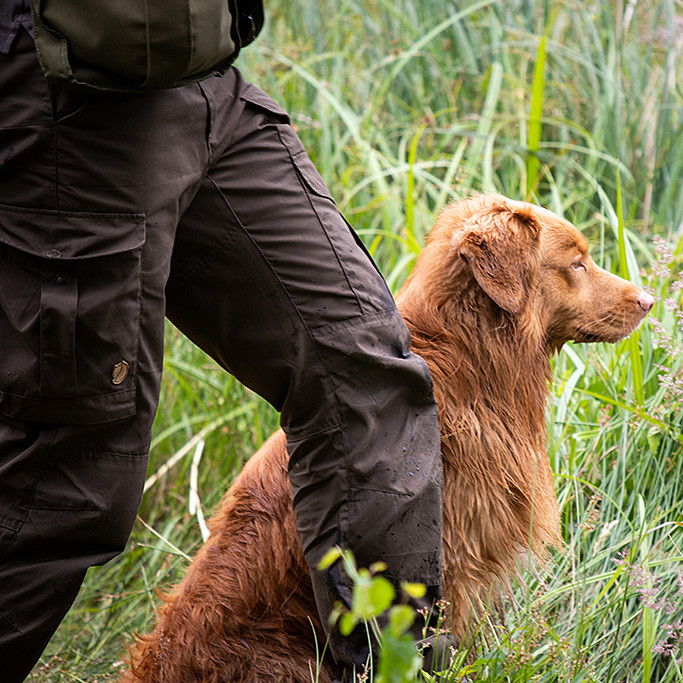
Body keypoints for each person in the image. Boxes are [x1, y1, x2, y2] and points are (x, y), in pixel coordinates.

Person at [0, 0, 444, 680]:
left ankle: (394, 668)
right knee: (69, 477)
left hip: (202, 77)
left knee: (358, 363)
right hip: (74, 92)